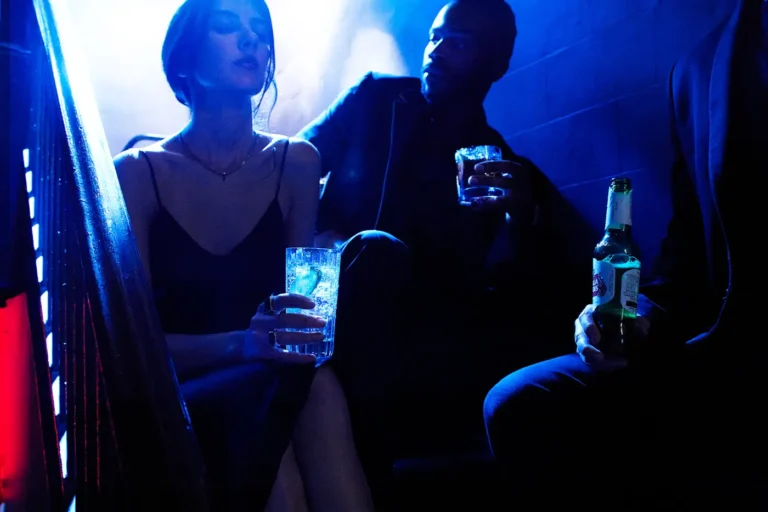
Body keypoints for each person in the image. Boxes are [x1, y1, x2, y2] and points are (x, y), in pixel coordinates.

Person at [298, 0, 591, 498]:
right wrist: (314, 239)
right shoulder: (377, 98)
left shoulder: (494, 158)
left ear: (493, 64)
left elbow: (513, 277)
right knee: (377, 251)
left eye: (456, 43)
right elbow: (296, 162)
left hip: (424, 328)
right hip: (335, 292)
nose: (434, 51)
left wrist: (521, 216)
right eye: (434, 38)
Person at [483, 0, 765, 506]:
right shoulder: (695, 69)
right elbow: (685, 267)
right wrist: (622, 315)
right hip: (728, 351)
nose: (437, 51)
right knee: (520, 403)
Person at [113, 0, 373, 510]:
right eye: (228, 27)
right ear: (184, 60)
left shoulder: (297, 161)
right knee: (270, 401)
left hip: (278, 375)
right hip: (190, 384)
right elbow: (135, 349)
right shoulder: (138, 173)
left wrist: (306, 326)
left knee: (311, 384)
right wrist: (240, 345)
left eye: (260, 29)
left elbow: (308, 322)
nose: (252, 40)